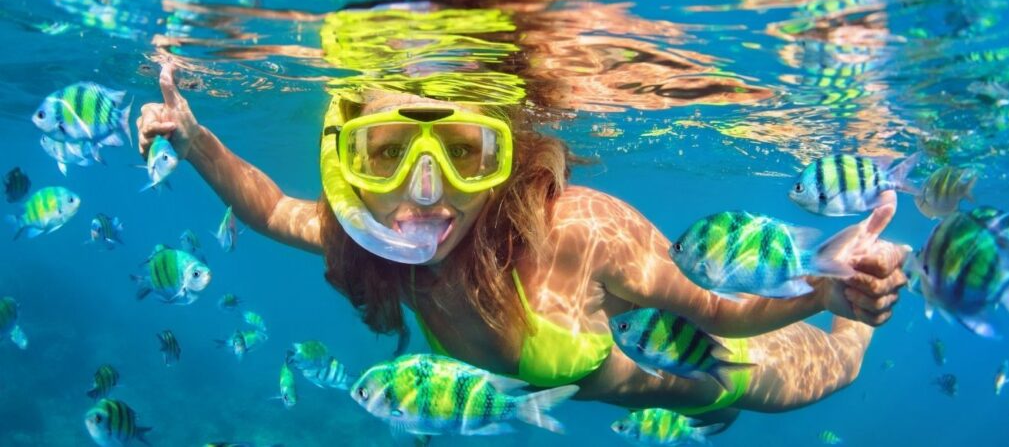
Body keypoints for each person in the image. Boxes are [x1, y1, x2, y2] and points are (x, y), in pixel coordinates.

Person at [137, 55, 908, 426]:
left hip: (715, 375)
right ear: (348, 163)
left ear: (503, 159)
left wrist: (828, 292)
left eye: (463, 152)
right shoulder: (372, 243)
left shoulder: (578, 233)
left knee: (837, 365)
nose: (424, 191)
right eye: (387, 152)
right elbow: (273, 209)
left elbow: (720, 308)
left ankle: (869, 272)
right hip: (641, 388)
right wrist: (194, 140)